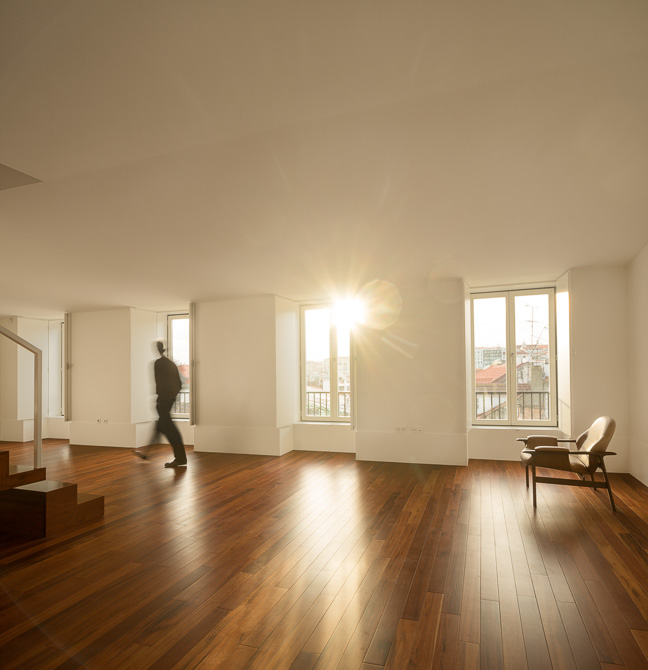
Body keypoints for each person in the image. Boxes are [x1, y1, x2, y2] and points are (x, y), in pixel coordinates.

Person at [135, 341, 187, 467]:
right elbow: (180, 384)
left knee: (169, 430)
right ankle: (147, 454)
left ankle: (180, 458)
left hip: (163, 401)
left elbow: (159, 382)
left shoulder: (158, 364)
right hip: (167, 400)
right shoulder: (171, 364)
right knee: (159, 427)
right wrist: (172, 397)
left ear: (158, 349)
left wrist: (161, 399)